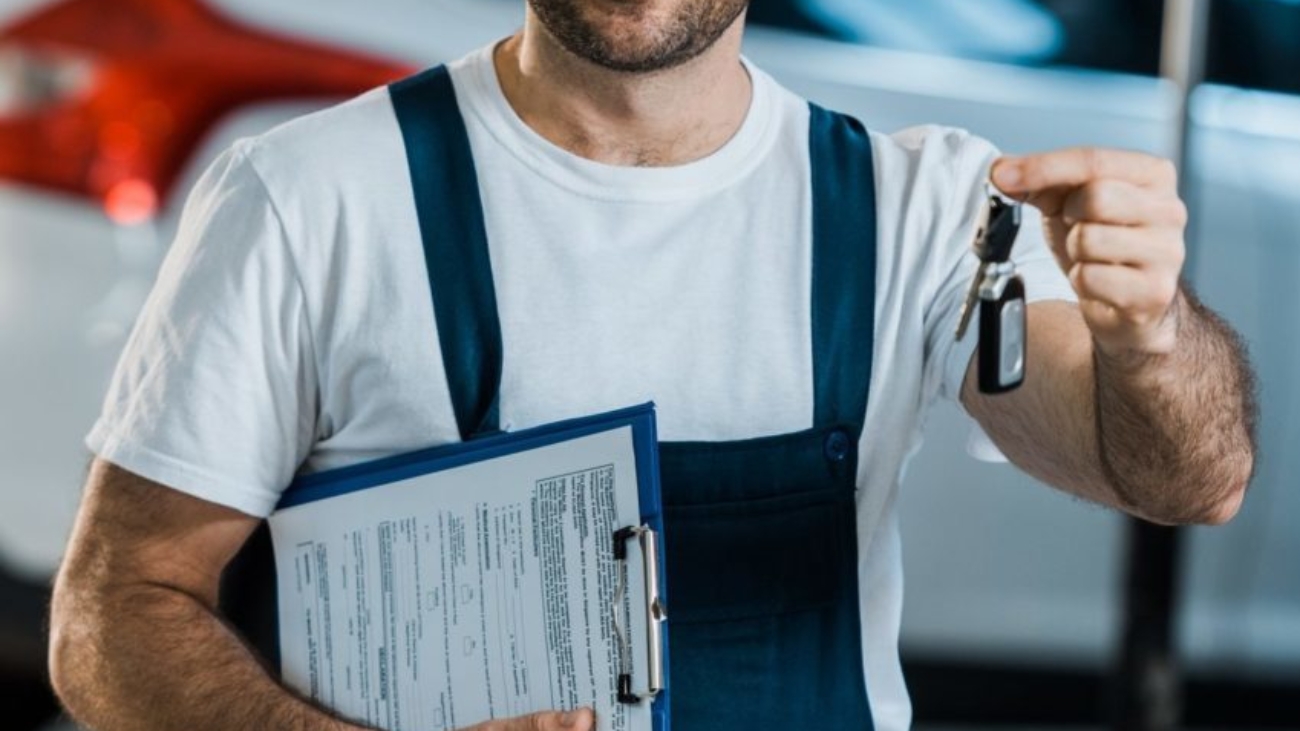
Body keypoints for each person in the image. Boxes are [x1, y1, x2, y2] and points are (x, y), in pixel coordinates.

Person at [48, 1, 1257, 730]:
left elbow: (1184, 479)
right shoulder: (309, 198)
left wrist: (1145, 333)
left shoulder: (924, 207)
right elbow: (113, 610)